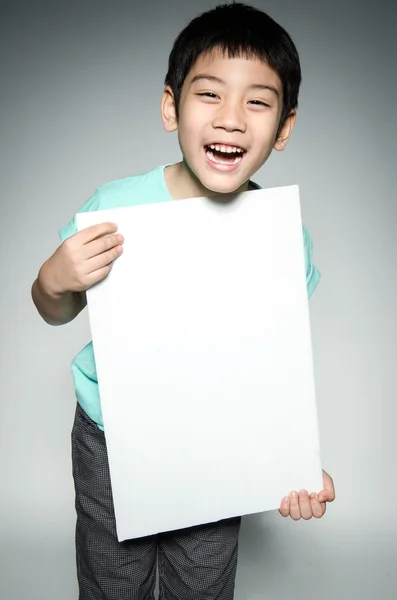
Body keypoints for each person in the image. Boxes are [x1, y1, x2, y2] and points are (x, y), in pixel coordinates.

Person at [31, 3, 335, 599]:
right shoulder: (116, 205)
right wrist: (54, 277)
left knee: (202, 582)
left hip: (215, 434)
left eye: (257, 101)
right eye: (209, 95)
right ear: (171, 107)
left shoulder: (280, 236)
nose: (231, 120)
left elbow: (274, 364)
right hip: (110, 432)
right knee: (112, 578)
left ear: (285, 127)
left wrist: (295, 458)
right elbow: (53, 308)